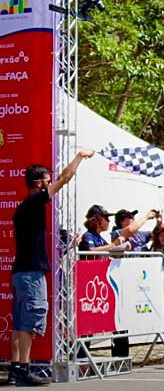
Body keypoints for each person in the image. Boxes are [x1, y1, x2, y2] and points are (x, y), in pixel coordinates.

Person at [10, 150, 95, 387]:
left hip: (20, 272)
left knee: (19, 323)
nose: (51, 183)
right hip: (30, 274)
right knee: (30, 323)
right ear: (39, 184)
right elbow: (66, 177)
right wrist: (80, 156)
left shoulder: (23, 207)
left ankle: (16, 370)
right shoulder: (35, 200)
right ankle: (25, 371)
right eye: (48, 180)